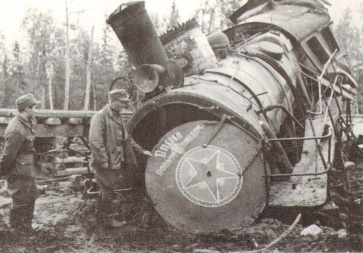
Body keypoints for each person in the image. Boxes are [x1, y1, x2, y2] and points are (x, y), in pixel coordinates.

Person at [89, 89, 152, 228]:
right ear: (112, 101)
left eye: (125, 102)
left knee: (110, 189)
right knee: (107, 189)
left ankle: (105, 217)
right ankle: (107, 220)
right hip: (105, 162)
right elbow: (95, 141)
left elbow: (127, 139)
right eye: (121, 102)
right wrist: (103, 161)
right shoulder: (100, 116)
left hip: (115, 161)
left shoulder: (118, 116)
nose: (124, 105)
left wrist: (141, 151)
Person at [0, 94, 41, 233]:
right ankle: (16, 231)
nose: (35, 110)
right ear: (26, 109)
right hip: (19, 171)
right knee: (19, 199)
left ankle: (26, 226)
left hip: (28, 169)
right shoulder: (16, 129)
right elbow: (8, 155)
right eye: (34, 107)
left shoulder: (26, 122)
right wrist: (2, 172)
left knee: (32, 195)